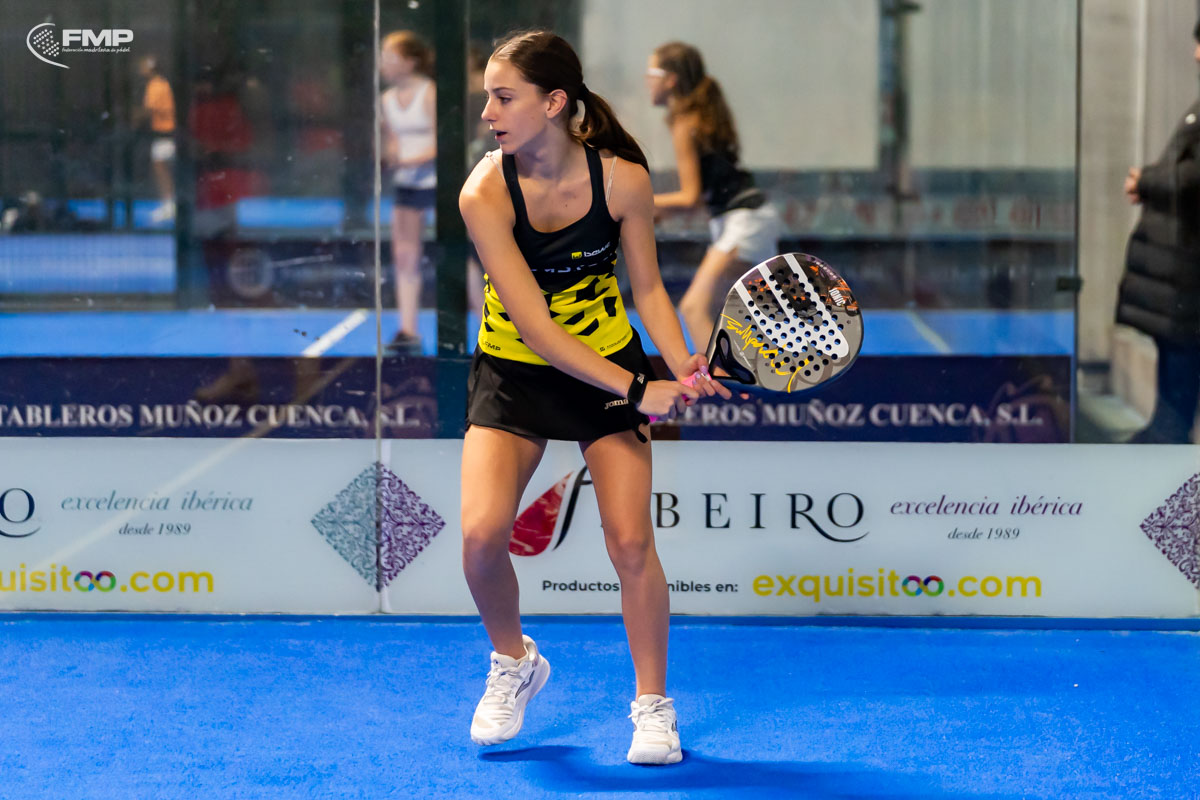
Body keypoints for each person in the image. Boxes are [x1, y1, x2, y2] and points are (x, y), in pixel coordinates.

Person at [457, 30, 729, 765]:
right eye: (488, 97)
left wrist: (681, 360)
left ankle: (653, 707)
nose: (488, 112)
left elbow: (650, 291)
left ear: (553, 103)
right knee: (480, 540)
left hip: (606, 365)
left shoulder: (622, 180)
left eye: (503, 97)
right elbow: (538, 331)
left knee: (631, 542)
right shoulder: (484, 192)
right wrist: (642, 389)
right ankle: (515, 662)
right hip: (516, 372)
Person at [646, 42, 781, 352]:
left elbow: (690, 197)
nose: (647, 82)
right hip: (744, 218)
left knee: (694, 309)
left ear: (671, 80)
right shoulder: (697, 117)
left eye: (651, 74)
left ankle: (719, 381)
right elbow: (702, 196)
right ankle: (734, 377)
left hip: (745, 220)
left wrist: (643, 204)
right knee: (728, 316)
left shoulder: (685, 123)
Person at [1116, 22, 1200, 444]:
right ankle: (1164, 430)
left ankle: (1170, 438)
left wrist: (1146, 181)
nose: (1197, 55)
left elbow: (1192, 176)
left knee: (1181, 353)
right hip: (1178, 265)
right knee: (1172, 349)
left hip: (1188, 263)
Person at [380, 31, 436, 354]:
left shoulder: (430, 93)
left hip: (437, 186)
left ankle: (480, 321)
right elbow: (391, 142)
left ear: (410, 61)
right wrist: (391, 158)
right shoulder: (386, 100)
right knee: (404, 257)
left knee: (468, 254)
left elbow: (443, 142)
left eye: (390, 56)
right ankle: (408, 330)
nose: (384, 63)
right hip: (406, 187)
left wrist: (411, 160)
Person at [136, 56, 176, 223]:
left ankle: (169, 205)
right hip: (167, 133)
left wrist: (132, 118)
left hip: (165, 133)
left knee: (160, 166)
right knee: (163, 167)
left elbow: (148, 110)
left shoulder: (156, 85)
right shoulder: (162, 83)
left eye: (143, 65)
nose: (140, 68)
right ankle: (170, 204)